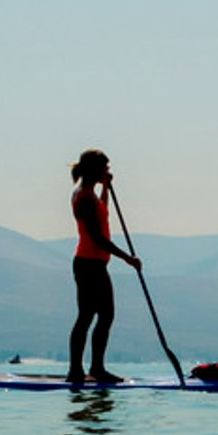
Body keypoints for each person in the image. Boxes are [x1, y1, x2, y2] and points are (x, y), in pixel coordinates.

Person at [67, 150, 141, 384]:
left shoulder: (90, 194)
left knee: (101, 315)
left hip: (95, 263)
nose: (108, 171)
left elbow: (103, 211)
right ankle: (80, 370)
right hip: (89, 263)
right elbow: (97, 237)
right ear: (94, 170)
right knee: (90, 316)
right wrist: (127, 258)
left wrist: (106, 189)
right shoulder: (84, 197)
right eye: (105, 168)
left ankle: (93, 368)